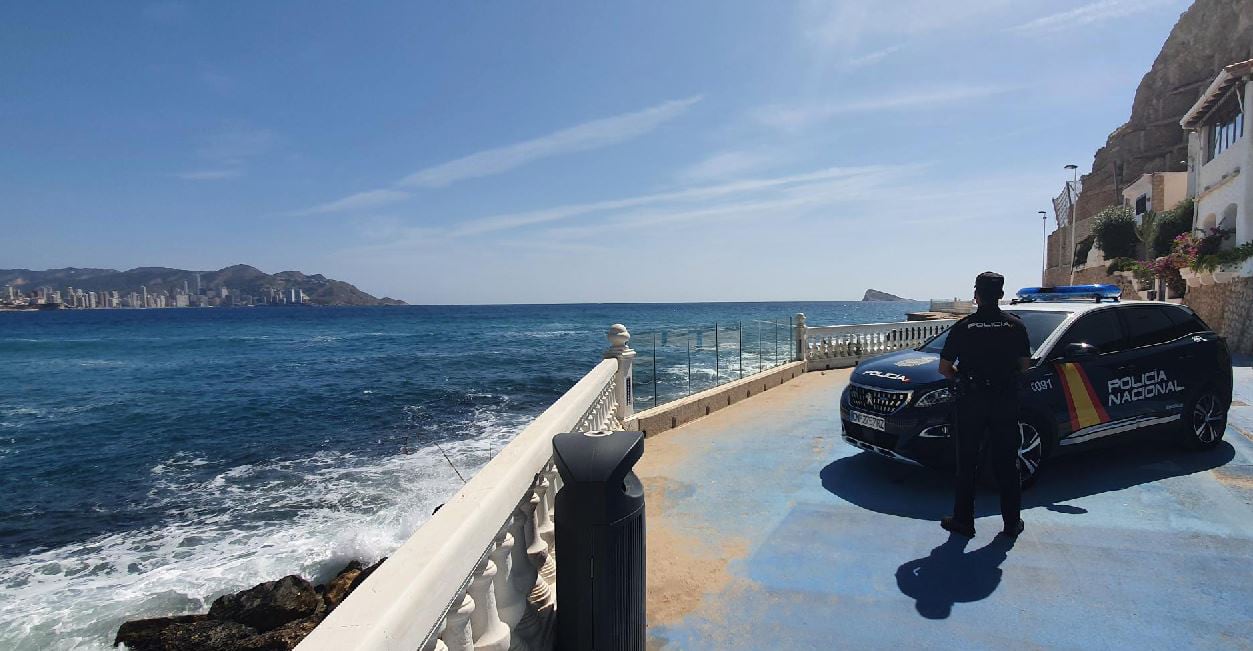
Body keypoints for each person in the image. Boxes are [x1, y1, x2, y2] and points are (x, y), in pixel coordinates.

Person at [937, 271, 1031, 539]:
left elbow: (944, 368)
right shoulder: (1016, 326)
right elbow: (1024, 365)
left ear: (976, 295)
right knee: (1007, 463)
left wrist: (963, 380)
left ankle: (964, 522)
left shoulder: (964, 326)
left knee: (967, 463)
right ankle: (1012, 524)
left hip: (971, 402)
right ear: (1001, 295)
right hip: (1004, 402)